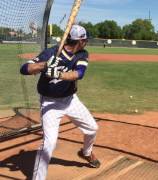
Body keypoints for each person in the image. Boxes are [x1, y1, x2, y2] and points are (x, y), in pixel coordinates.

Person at [20, 25, 100, 180]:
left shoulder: (82, 54)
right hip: (50, 103)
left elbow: (79, 74)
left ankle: (86, 152)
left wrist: (57, 73)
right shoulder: (51, 52)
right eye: (85, 40)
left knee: (92, 128)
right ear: (80, 41)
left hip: (70, 100)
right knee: (49, 143)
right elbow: (24, 69)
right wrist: (44, 65)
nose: (87, 42)